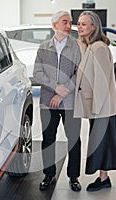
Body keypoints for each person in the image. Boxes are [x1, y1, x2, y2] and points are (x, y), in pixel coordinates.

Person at [74, 10, 116, 192]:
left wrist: (97, 108)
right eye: (79, 23)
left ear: (94, 27)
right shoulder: (90, 46)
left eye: (84, 24)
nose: (79, 26)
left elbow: (102, 81)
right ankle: (104, 177)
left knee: (105, 143)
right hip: (97, 107)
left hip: (102, 107)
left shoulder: (99, 48)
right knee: (101, 144)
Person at [33, 11, 82, 192]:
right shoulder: (43, 47)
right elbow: (37, 73)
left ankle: (74, 176)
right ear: (54, 25)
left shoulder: (76, 47)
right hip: (47, 102)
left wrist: (62, 93)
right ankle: (48, 174)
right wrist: (55, 87)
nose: (69, 26)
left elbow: (80, 73)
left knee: (74, 140)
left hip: (69, 102)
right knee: (48, 139)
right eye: (65, 22)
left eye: (70, 22)